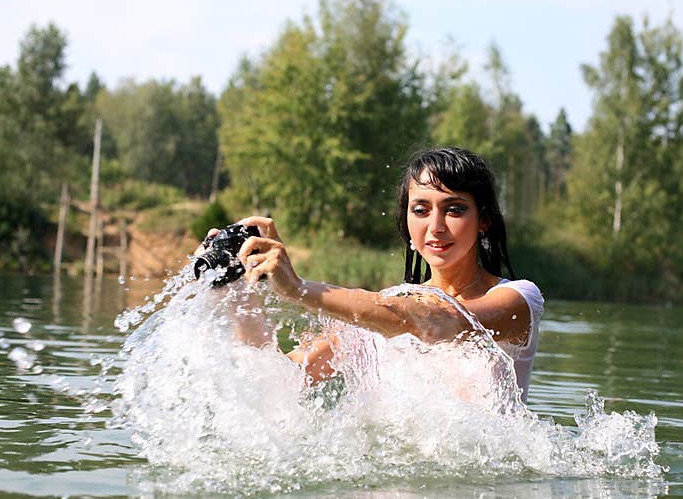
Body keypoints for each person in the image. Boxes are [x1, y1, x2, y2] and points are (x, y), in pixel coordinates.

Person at [201, 147, 544, 402]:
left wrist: (298, 288)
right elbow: (279, 380)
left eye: (454, 209)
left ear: (483, 220)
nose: (436, 227)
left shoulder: (518, 299)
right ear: (406, 222)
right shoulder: (382, 311)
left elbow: (436, 321)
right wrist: (233, 289)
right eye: (421, 210)